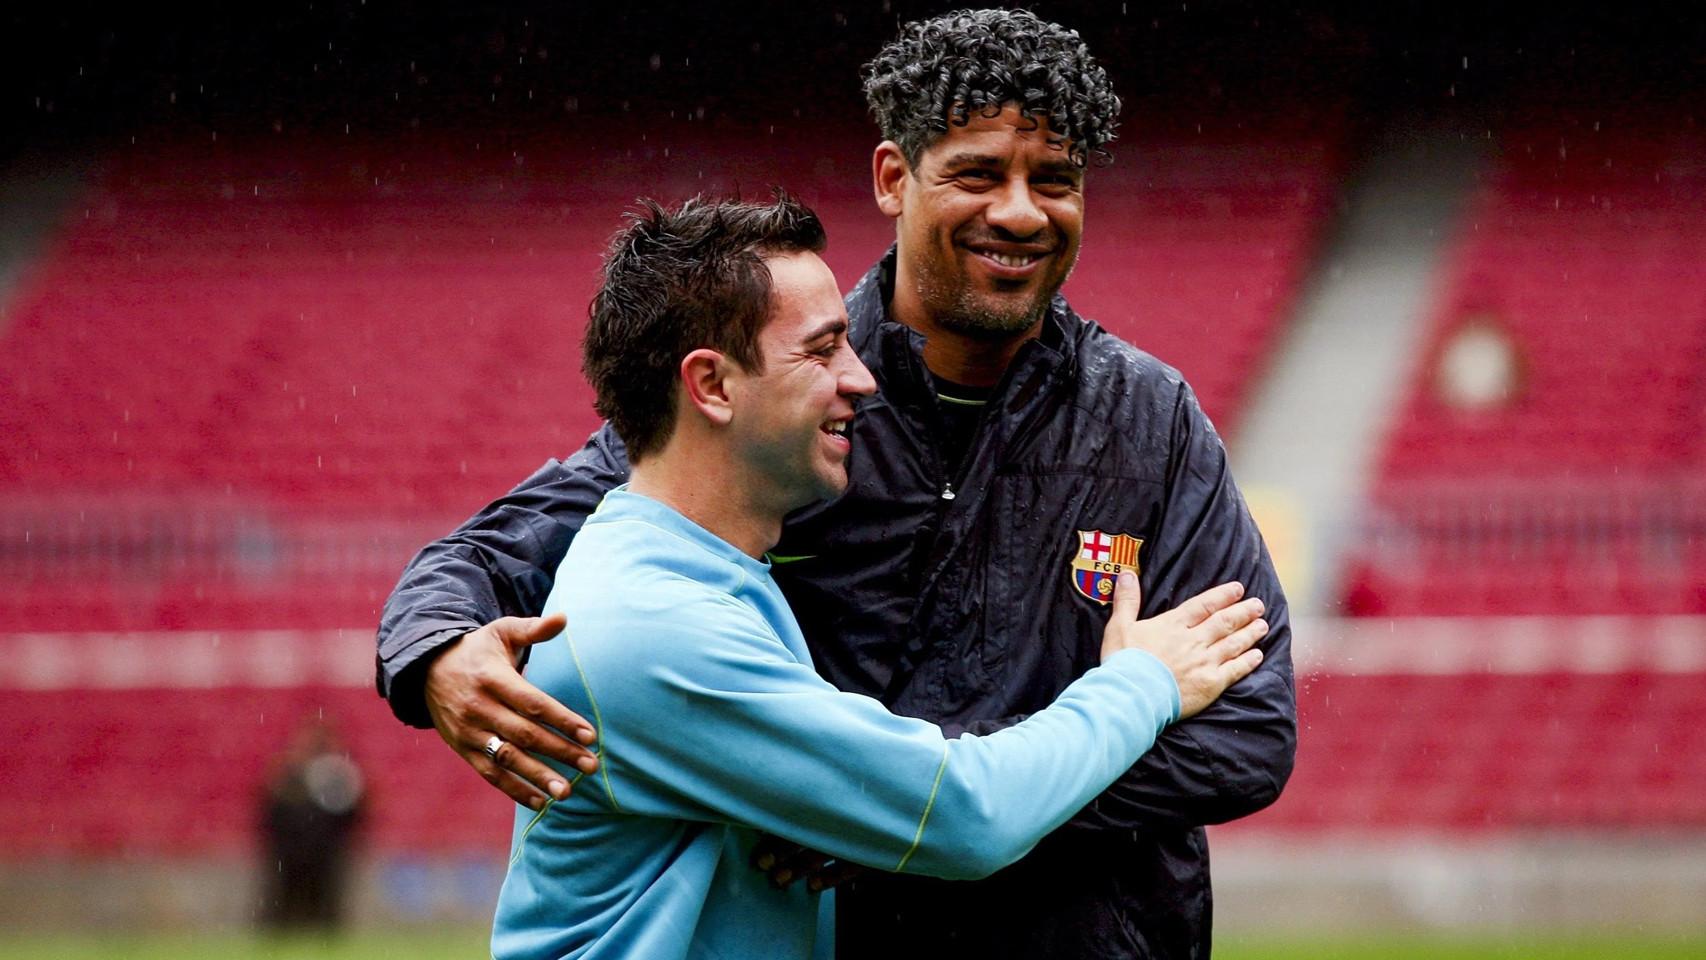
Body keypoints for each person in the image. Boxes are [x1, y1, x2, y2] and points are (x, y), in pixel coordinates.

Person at [378, 9, 1296, 957]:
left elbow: (1250, 735)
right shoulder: (779, 396)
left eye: (1054, 181)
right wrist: (435, 650)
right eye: (979, 173)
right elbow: (497, 551)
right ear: (894, 179)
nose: (1021, 212)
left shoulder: (1149, 421)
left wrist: (869, 810)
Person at [491, 193, 1266, 960]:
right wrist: (1142, 682)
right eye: (824, 349)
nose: (861, 378)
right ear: (713, 387)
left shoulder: (696, 570)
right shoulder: (651, 625)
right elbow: (969, 817)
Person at [258, 716, 366, 932]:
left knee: (324, 906)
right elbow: (271, 809)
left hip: (325, 851)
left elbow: (354, 812)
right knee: (285, 905)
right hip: (293, 851)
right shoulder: (290, 773)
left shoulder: (338, 773)